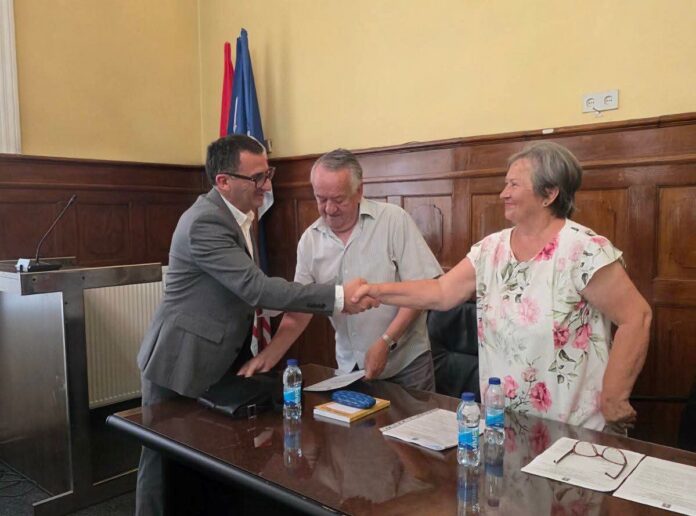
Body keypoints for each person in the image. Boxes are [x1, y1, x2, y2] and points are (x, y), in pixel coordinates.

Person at [134, 135, 375, 516]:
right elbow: (256, 289)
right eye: (258, 177)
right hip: (181, 360)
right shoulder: (205, 222)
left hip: (218, 358)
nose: (267, 185)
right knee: (162, 461)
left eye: (268, 173)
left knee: (208, 460)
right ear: (223, 181)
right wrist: (339, 297)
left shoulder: (239, 214)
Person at [353, 141, 652, 430]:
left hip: (574, 427)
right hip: (504, 424)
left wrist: (614, 397)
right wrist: (376, 291)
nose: (503, 194)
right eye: (506, 184)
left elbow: (636, 317)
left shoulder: (583, 249)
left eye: (514, 185)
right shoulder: (491, 248)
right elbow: (442, 292)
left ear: (549, 194)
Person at [238, 149, 443, 391]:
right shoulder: (310, 240)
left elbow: (421, 291)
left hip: (407, 365)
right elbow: (301, 308)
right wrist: (268, 356)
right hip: (350, 367)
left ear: (359, 191)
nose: (329, 209)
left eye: (338, 200)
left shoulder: (393, 221)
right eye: (321, 199)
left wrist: (386, 342)